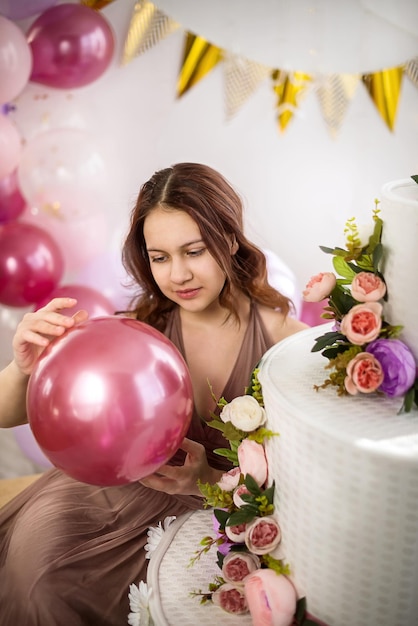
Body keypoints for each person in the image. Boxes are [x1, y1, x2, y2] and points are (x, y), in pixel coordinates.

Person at [0, 162, 307, 625]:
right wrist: (24, 367)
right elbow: (7, 414)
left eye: (194, 251)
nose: (178, 274)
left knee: (56, 588)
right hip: (113, 494)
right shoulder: (141, 329)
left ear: (229, 240)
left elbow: (307, 474)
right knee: (34, 569)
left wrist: (209, 482)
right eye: (159, 257)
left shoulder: (285, 341)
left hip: (207, 510)